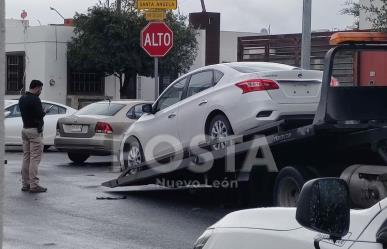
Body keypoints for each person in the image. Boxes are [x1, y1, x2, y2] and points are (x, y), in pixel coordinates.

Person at [19, 80, 47, 193]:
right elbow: (39, 114)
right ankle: (34, 185)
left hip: (25, 129)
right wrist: (44, 112)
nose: (40, 91)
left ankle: (25, 184)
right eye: (40, 89)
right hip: (34, 131)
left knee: (26, 158)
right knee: (34, 158)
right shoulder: (35, 99)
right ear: (36, 88)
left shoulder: (22, 98)